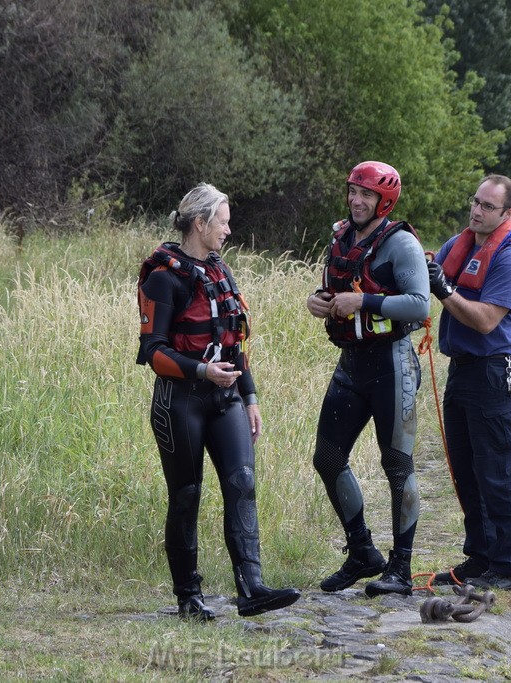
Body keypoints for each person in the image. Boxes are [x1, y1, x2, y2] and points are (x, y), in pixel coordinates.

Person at [137, 183, 301, 620]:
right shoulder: (162, 276)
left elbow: (235, 339)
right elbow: (153, 351)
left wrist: (250, 396)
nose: (229, 230)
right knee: (187, 496)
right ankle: (189, 598)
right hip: (180, 402)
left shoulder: (219, 271)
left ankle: (252, 588)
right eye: (223, 222)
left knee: (242, 482)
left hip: (225, 398)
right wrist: (200, 370)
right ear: (200, 222)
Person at [306, 161, 431, 597]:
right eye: (353, 192)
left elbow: (419, 306)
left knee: (397, 465)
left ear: (385, 201)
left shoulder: (401, 244)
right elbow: (331, 288)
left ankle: (401, 568)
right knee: (327, 457)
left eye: (366, 195)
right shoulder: (341, 235)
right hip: (351, 365)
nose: (357, 201)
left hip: (392, 364)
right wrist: (317, 302)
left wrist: (364, 300)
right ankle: (362, 552)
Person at [426, 174, 511, 594]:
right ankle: (480, 558)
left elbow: (486, 320)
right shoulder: (459, 244)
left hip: (493, 372)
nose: (477, 211)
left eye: (488, 207)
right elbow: (430, 280)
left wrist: (443, 289)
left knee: (496, 474)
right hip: (462, 370)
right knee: (465, 471)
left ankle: (509, 568)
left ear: (507, 213)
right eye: (476, 202)